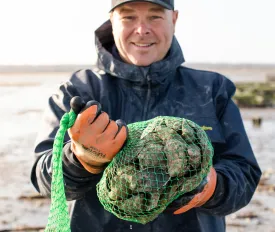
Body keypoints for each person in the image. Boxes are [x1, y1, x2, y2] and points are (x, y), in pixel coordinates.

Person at [30, 0, 262, 231]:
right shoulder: (77, 91)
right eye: (128, 17)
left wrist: (210, 187)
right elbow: (43, 179)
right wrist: (81, 159)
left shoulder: (212, 90)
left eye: (155, 17)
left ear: (174, 19)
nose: (142, 30)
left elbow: (245, 174)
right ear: (112, 21)